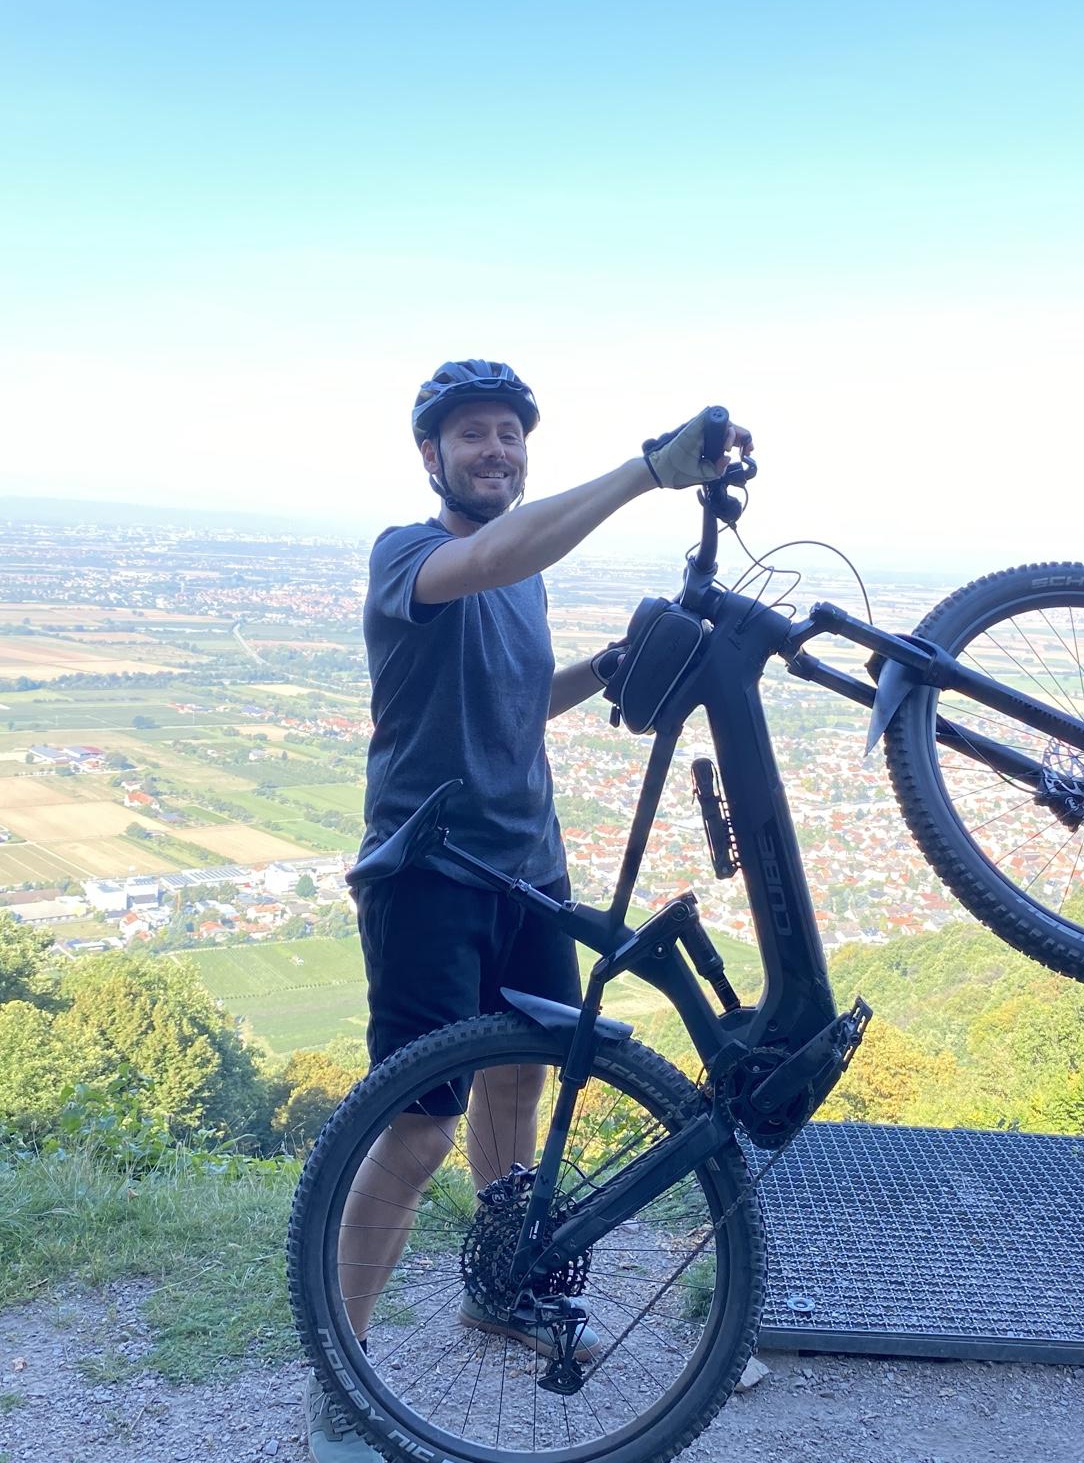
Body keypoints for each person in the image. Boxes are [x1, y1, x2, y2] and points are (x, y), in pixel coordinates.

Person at [304, 358, 751, 1461]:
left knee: (520, 1083)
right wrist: (647, 472)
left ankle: (504, 1293)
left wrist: (604, 666)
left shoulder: (522, 581)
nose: (494, 450)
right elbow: (495, 555)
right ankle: (340, 1373)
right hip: (428, 871)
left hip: (529, 870)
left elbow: (517, 696)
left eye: (508, 433)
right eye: (471, 434)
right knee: (418, 1127)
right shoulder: (410, 556)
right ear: (431, 455)